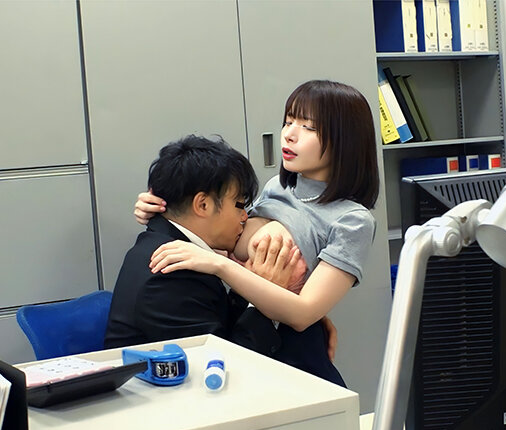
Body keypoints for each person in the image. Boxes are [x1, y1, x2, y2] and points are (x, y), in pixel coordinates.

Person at [135, 79, 379, 386]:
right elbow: (221, 234)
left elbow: (303, 313)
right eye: (288, 121)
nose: (289, 134)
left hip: (294, 358)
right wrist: (164, 210)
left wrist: (219, 266)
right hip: (246, 334)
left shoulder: (353, 220)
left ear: (346, 141)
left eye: (308, 127)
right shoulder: (277, 187)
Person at [104, 135, 302, 356]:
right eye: (239, 205)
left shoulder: (164, 242)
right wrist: (264, 302)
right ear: (203, 204)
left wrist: (253, 287)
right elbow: (223, 364)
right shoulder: (170, 273)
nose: (245, 217)